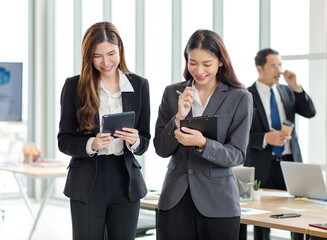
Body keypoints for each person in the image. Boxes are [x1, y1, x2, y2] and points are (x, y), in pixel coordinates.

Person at [153, 29, 253, 240]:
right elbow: (161, 149)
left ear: (220, 62)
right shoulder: (172, 93)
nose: (199, 70)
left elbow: (237, 154)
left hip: (219, 203)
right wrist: (178, 118)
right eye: (193, 62)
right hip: (175, 200)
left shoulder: (239, 97)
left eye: (207, 64)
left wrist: (204, 144)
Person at [57, 21, 150, 240]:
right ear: (88, 55)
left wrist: (135, 140)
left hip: (125, 181)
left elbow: (145, 139)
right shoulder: (74, 86)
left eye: (111, 53)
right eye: (97, 55)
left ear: (120, 50)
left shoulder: (139, 86)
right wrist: (92, 144)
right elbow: (64, 140)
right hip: (87, 180)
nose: (106, 62)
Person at [243, 48, 316, 240]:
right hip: (262, 165)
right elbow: (240, 135)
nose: (279, 70)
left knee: (297, 215)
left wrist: (296, 87)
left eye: (280, 65)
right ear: (260, 69)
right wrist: (265, 138)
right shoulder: (246, 95)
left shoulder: (287, 90)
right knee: (261, 219)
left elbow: (310, 112)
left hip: (290, 163)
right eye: (274, 66)